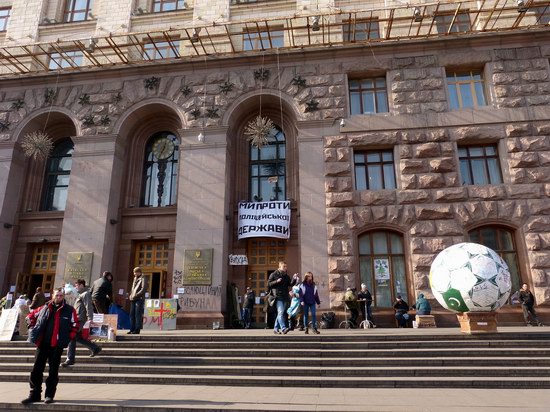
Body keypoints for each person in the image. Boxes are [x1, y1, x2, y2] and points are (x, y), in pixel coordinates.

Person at [22, 288, 78, 404]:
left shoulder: (69, 310)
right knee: (36, 369)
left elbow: (75, 324)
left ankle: (49, 395)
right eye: (57, 295)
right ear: (53, 296)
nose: (59, 297)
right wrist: (32, 329)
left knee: (53, 371)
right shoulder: (44, 308)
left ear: (64, 297)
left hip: (56, 346)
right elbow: (30, 316)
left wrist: (68, 338)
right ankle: (34, 394)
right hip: (42, 344)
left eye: (61, 295)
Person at [62, 279, 102, 367]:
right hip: (77, 318)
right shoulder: (80, 294)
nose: (76, 287)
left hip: (80, 319)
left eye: (76, 285)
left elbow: (89, 306)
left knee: (71, 336)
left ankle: (70, 359)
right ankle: (95, 348)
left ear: (81, 285)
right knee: (78, 337)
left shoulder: (86, 294)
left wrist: (90, 318)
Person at [267, 261, 292, 334]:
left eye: (286, 266)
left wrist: (294, 279)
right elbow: (268, 284)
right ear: (280, 266)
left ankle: (275, 329)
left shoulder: (286, 276)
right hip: (277, 296)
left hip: (285, 297)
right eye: (284, 266)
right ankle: (283, 328)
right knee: (280, 312)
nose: (285, 268)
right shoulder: (274, 274)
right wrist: (276, 281)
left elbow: (290, 284)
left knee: (280, 314)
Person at [128, 267, 146, 334]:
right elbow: (133, 288)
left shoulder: (143, 278)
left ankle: (137, 329)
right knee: (132, 314)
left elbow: (143, 289)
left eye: (135, 272)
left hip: (139, 299)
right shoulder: (135, 278)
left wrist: (136, 295)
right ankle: (132, 329)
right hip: (133, 298)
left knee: (137, 314)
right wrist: (131, 295)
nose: (134, 274)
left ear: (139, 272)